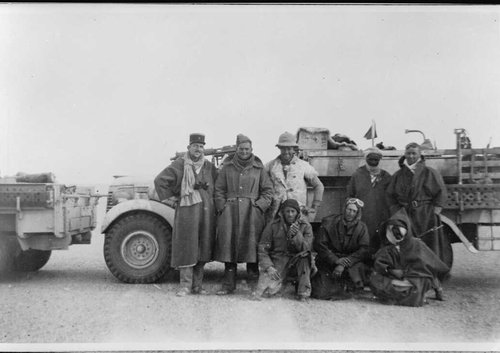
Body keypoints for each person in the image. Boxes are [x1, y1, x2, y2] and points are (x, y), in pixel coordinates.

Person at [154, 133, 217, 297]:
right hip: (187, 210)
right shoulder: (180, 164)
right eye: (195, 146)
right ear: (188, 147)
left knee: (203, 246)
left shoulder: (209, 166)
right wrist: (173, 199)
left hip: (205, 211)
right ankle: (185, 286)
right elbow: (160, 181)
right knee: (186, 246)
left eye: (201, 146)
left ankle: (198, 286)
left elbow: (218, 186)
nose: (198, 149)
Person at [214, 133, 274, 295]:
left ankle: (254, 287)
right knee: (229, 249)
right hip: (230, 213)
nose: (244, 152)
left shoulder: (259, 168)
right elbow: (218, 189)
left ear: (251, 149)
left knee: (252, 250)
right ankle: (228, 286)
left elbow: (268, 191)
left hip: (252, 214)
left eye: (247, 149)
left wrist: (259, 206)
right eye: (241, 149)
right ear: (236, 149)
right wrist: (222, 207)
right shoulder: (227, 167)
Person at [369, 208, 448, 307]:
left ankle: (411, 296)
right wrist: (391, 270)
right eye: (393, 232)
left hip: (413, 279)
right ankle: (410, 296)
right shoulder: (387, 247)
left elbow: (430, 267)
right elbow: (380, 264)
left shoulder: (417, 245)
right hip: (395, 279)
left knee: (421, 281)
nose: (396, 237)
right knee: (375, 279)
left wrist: (407, 273)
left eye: (399, 234)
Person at [386, 142, 449, 266]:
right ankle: (411, 274)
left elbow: (440, 192)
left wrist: (434, 212)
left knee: (428, 244)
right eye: (408, 153)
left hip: (424, 214)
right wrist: (396, 212)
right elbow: (389, 195)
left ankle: (430, 274)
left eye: (414, 153)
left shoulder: (429, 173)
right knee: (406, 244)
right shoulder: (398, 175)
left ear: (420, 155)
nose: (411, 156)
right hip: (405, 215)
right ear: (404, 155)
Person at [254, 199, 314, 302]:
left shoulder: (305, 226)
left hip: (297, 261)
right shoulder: (273, 226)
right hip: (279, 260)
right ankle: (281, 284)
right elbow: (262, 249)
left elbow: (306, 249)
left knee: (305, 258)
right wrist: (269, 267)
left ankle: (303, 292)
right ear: (282, 212)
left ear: (297, 213)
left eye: (293, 211)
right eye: (287, 211)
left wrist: (296, 235)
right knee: (265, 292)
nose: (290, 214)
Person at [312, 198, 370, 300]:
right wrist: (336, 260)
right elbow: (319, 244)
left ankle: (344, 288)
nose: (350, 213)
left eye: (354, 211)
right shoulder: (329, 222)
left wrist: (343, 264)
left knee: (354, 282)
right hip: (328, 261)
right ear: (344, 209)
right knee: (319, 292)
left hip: (349, 263)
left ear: (357, 213)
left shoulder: (362, 227)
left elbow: (364, 249)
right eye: (349, 209)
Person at [265, 131, 324, 223]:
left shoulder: (303, 166)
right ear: (279, 148)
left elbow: (319, 186)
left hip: (298, 214)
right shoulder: (271, 166)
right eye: (283, 148)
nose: (286, 152)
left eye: (289, 148)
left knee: (298, 236)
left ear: (294, 149)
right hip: (276, 214)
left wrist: (314, 207)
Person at [346, 147, 391, 254]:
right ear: (366, 159)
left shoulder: (387, 177)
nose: (373, 162)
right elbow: (350, 195)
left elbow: (392, 197)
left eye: (376, 159)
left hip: (380, 217)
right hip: (363, 217)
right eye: (370, 159)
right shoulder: (358, 174)